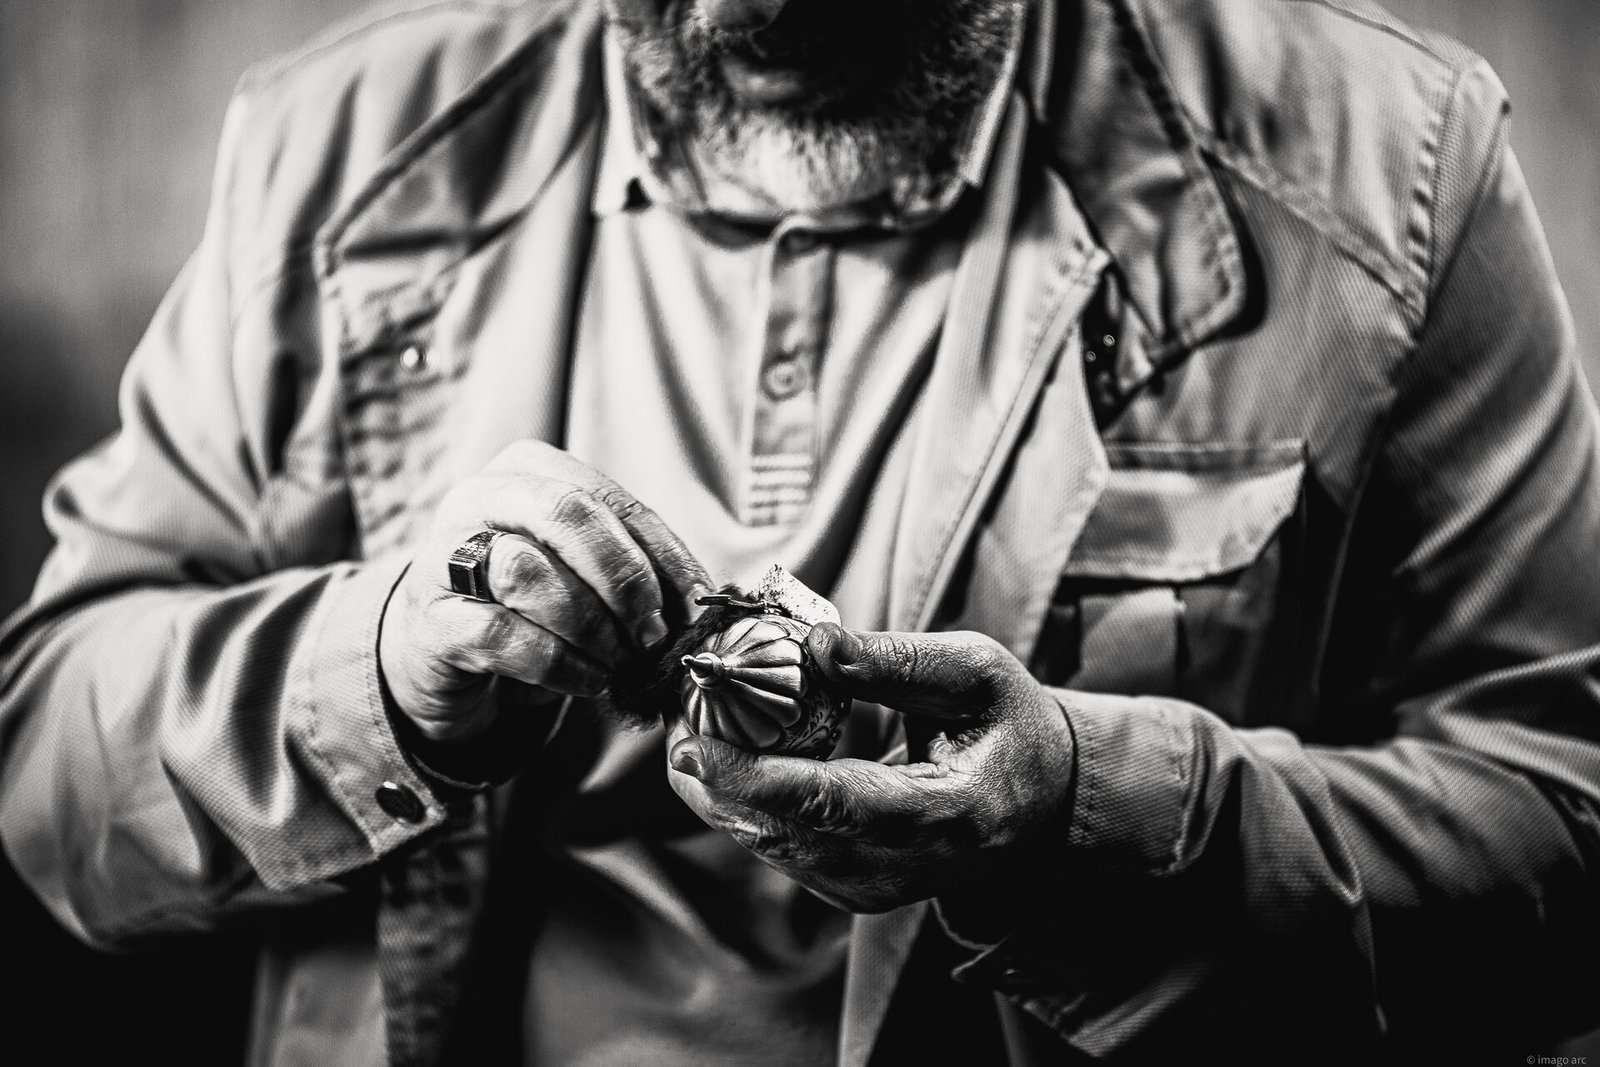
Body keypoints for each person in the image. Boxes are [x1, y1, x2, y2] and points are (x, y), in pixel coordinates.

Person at [2, 0, 1598, 1062]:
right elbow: (49, 774)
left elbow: (1566, 839)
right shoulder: (329, 155)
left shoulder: (1389, 169)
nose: (749, 12)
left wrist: (1086, 823)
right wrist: (381, 668)